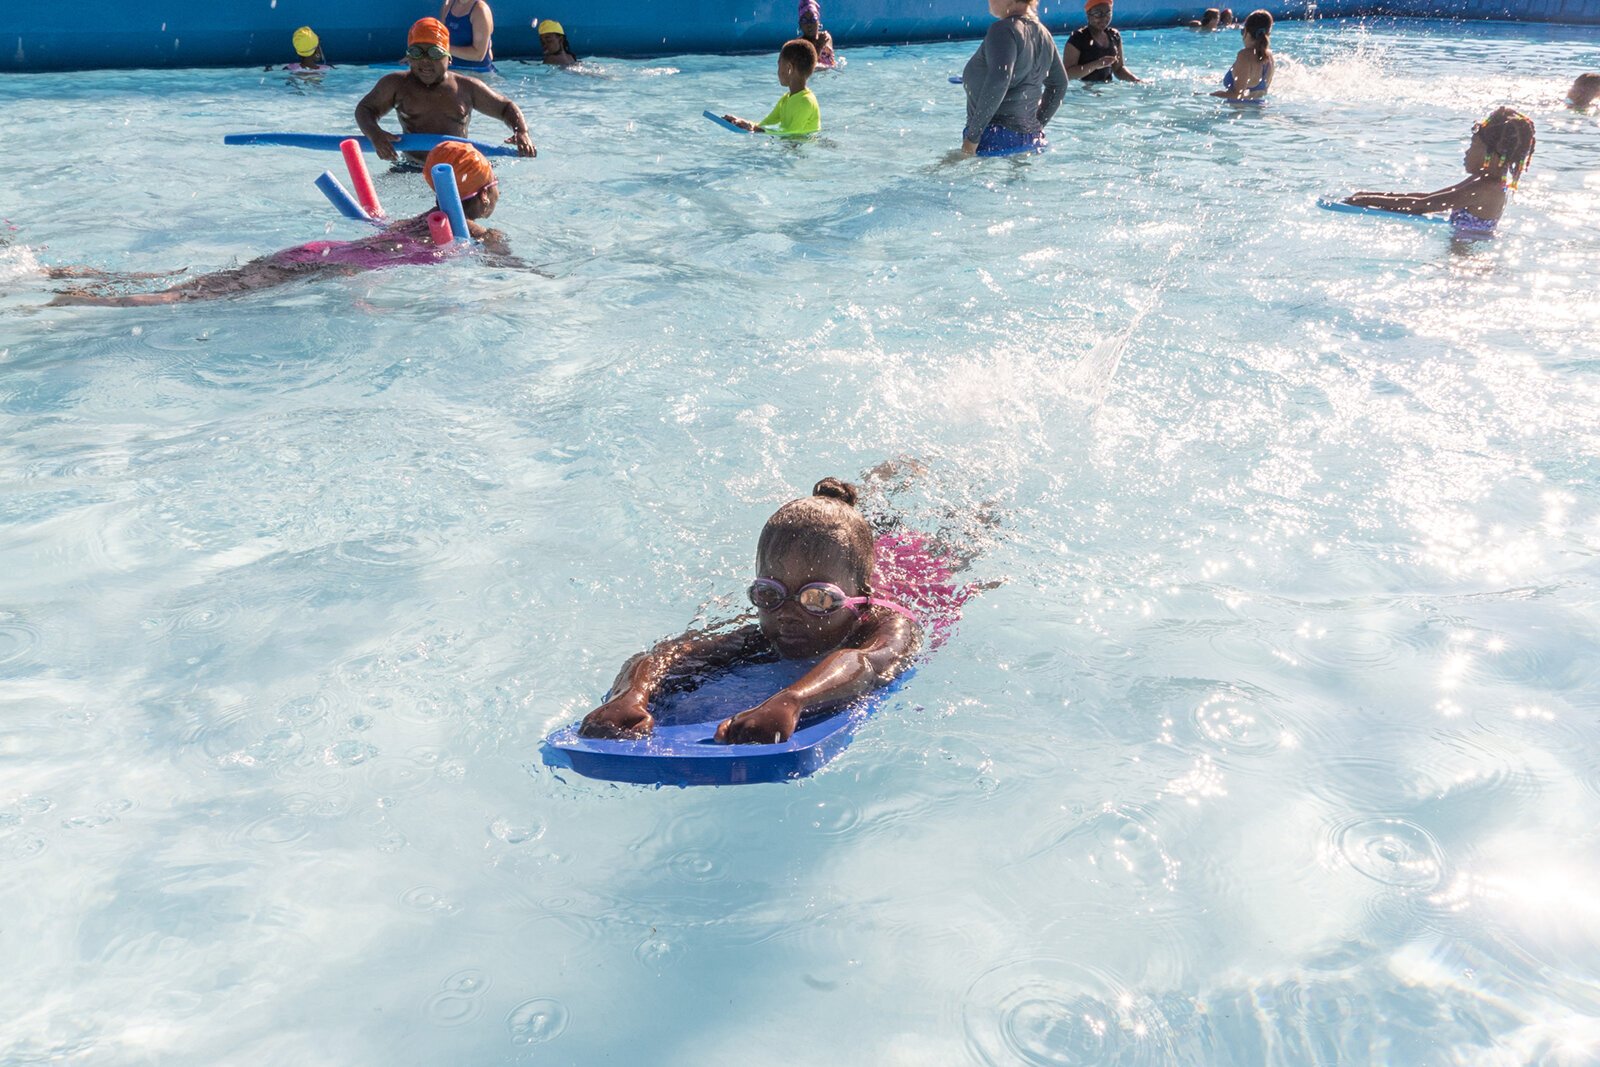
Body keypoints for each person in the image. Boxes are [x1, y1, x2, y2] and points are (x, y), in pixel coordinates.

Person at [579, 477, 978, 745]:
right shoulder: (769, 629)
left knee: (963, 539)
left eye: (817, 600)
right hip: (848, 565)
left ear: (862, 596)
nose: (788, 614)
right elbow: (667, 654)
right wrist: (631, 694)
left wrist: (791, 699)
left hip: (921, 571)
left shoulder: (893, 625)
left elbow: (867, 664)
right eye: (769, 595)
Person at [49, 144, 510, 307]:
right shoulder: (484, 236)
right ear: (486, 192)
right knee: (195, 296)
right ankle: (82, 302)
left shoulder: (418, 221)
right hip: (325, 269)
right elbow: (518, 274)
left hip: (318, 252)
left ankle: (81, 277)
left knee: (208, 283)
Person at [356, 19, 534, 163]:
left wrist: (521, 132)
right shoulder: (396, 84)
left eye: (434, 53)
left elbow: (505, 108)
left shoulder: (466, 87)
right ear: (408, 57)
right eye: (417, 52)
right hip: (412, 166)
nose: (425, 60)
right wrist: (375, 134)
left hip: (458, 167)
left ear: (448, 58)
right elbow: (365, 109)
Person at [1339, 108, 1536, 235]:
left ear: (1491, 154)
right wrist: (1371, 195)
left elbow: (1424, 205)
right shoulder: (1485, 181)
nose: (1467, 152)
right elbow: (1430, 197)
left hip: (1467, 263)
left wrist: (1368, 200)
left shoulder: (1483, 188)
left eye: (1473, 145)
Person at [961, 0, 1068, 156]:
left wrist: (972, 139)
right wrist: (1035, 126)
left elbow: (1000, 80)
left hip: (993, 137)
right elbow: (1060, 85)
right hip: (1031, 139)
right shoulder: (1043, 33)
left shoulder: (1004, 29)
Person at [721, 39, 821, 137]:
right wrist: (743, 123)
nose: (777, 72)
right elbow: (765, 124)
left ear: (789, 69)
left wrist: (758, 130)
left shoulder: (806, 102)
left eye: (779, 65)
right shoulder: (786, 99)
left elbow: (791, 134)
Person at [1064, 0, 1140, 84]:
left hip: (1107, 89)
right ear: (1088, 14)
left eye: (1108, 13)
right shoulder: (1077, 38)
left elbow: (1119, 69)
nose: (1104, 18)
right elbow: (1067, 73)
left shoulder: (1114, 36)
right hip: (1083, 90)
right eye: (1098, 14)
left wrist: (1136, 80)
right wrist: (1096, 64)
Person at [1212, 9, 1273, 101]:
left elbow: (1237, 95)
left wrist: (1207, 95)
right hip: (1259, 109)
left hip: (1238, 111)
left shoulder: (1245, 56)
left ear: (1246, 31)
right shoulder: (1269, 57)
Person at [439, 0, 495, 72]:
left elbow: (479, 55)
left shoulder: (480, 10)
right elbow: (441, 38)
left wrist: (444, 49)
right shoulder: (448, 4)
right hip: (450, 69)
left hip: (477, 73)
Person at [798, 0, 837, 69]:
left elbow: (832, 63)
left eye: (813, 19)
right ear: (800, 25)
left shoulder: (826, 38)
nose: (809, 24)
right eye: (804, 20)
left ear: (818, 22)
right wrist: (819, 46)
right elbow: (808, 68)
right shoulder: (799, 45)